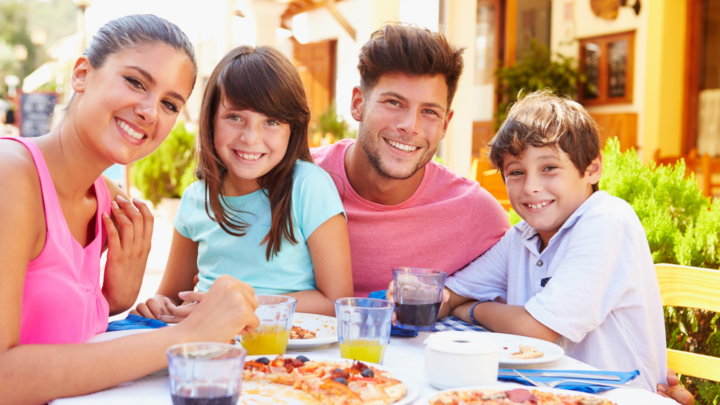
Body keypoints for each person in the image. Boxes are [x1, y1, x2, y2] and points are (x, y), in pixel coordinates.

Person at [0, 15, 259, 404]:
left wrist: (112, 302)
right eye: (136, 82)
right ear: (82, 74)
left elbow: (61, 336)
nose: (150, 111)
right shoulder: (11, 178)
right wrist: (185, 337)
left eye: (170, 104)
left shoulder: (112, 202)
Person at [404, 91, 668, 392]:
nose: (531, 187)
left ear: (591, 169)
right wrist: (418, 297)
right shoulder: (522, 237)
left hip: (617, 396)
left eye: (549, 168)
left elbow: (537, 329)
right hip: (546, 394)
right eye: (516, 172)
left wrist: (473, 310)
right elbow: (449, 295)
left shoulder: (607, 219)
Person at [132, 45, 352, 319]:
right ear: (211, 119)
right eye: (234, 117)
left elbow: (337, 302)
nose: (250, 138)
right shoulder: (195, 198)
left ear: (292, 129)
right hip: (208, 348)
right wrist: (157, 305)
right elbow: (172, 296)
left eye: (271, 121)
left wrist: (240, 307)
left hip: (288, 353)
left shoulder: (309, 186)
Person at [311, 23, 510, 297]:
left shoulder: (476, 214)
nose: (410, 126)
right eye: (394, 102)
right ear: (358, 103)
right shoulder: (295, 180)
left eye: (429, 111)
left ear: (445, 124)